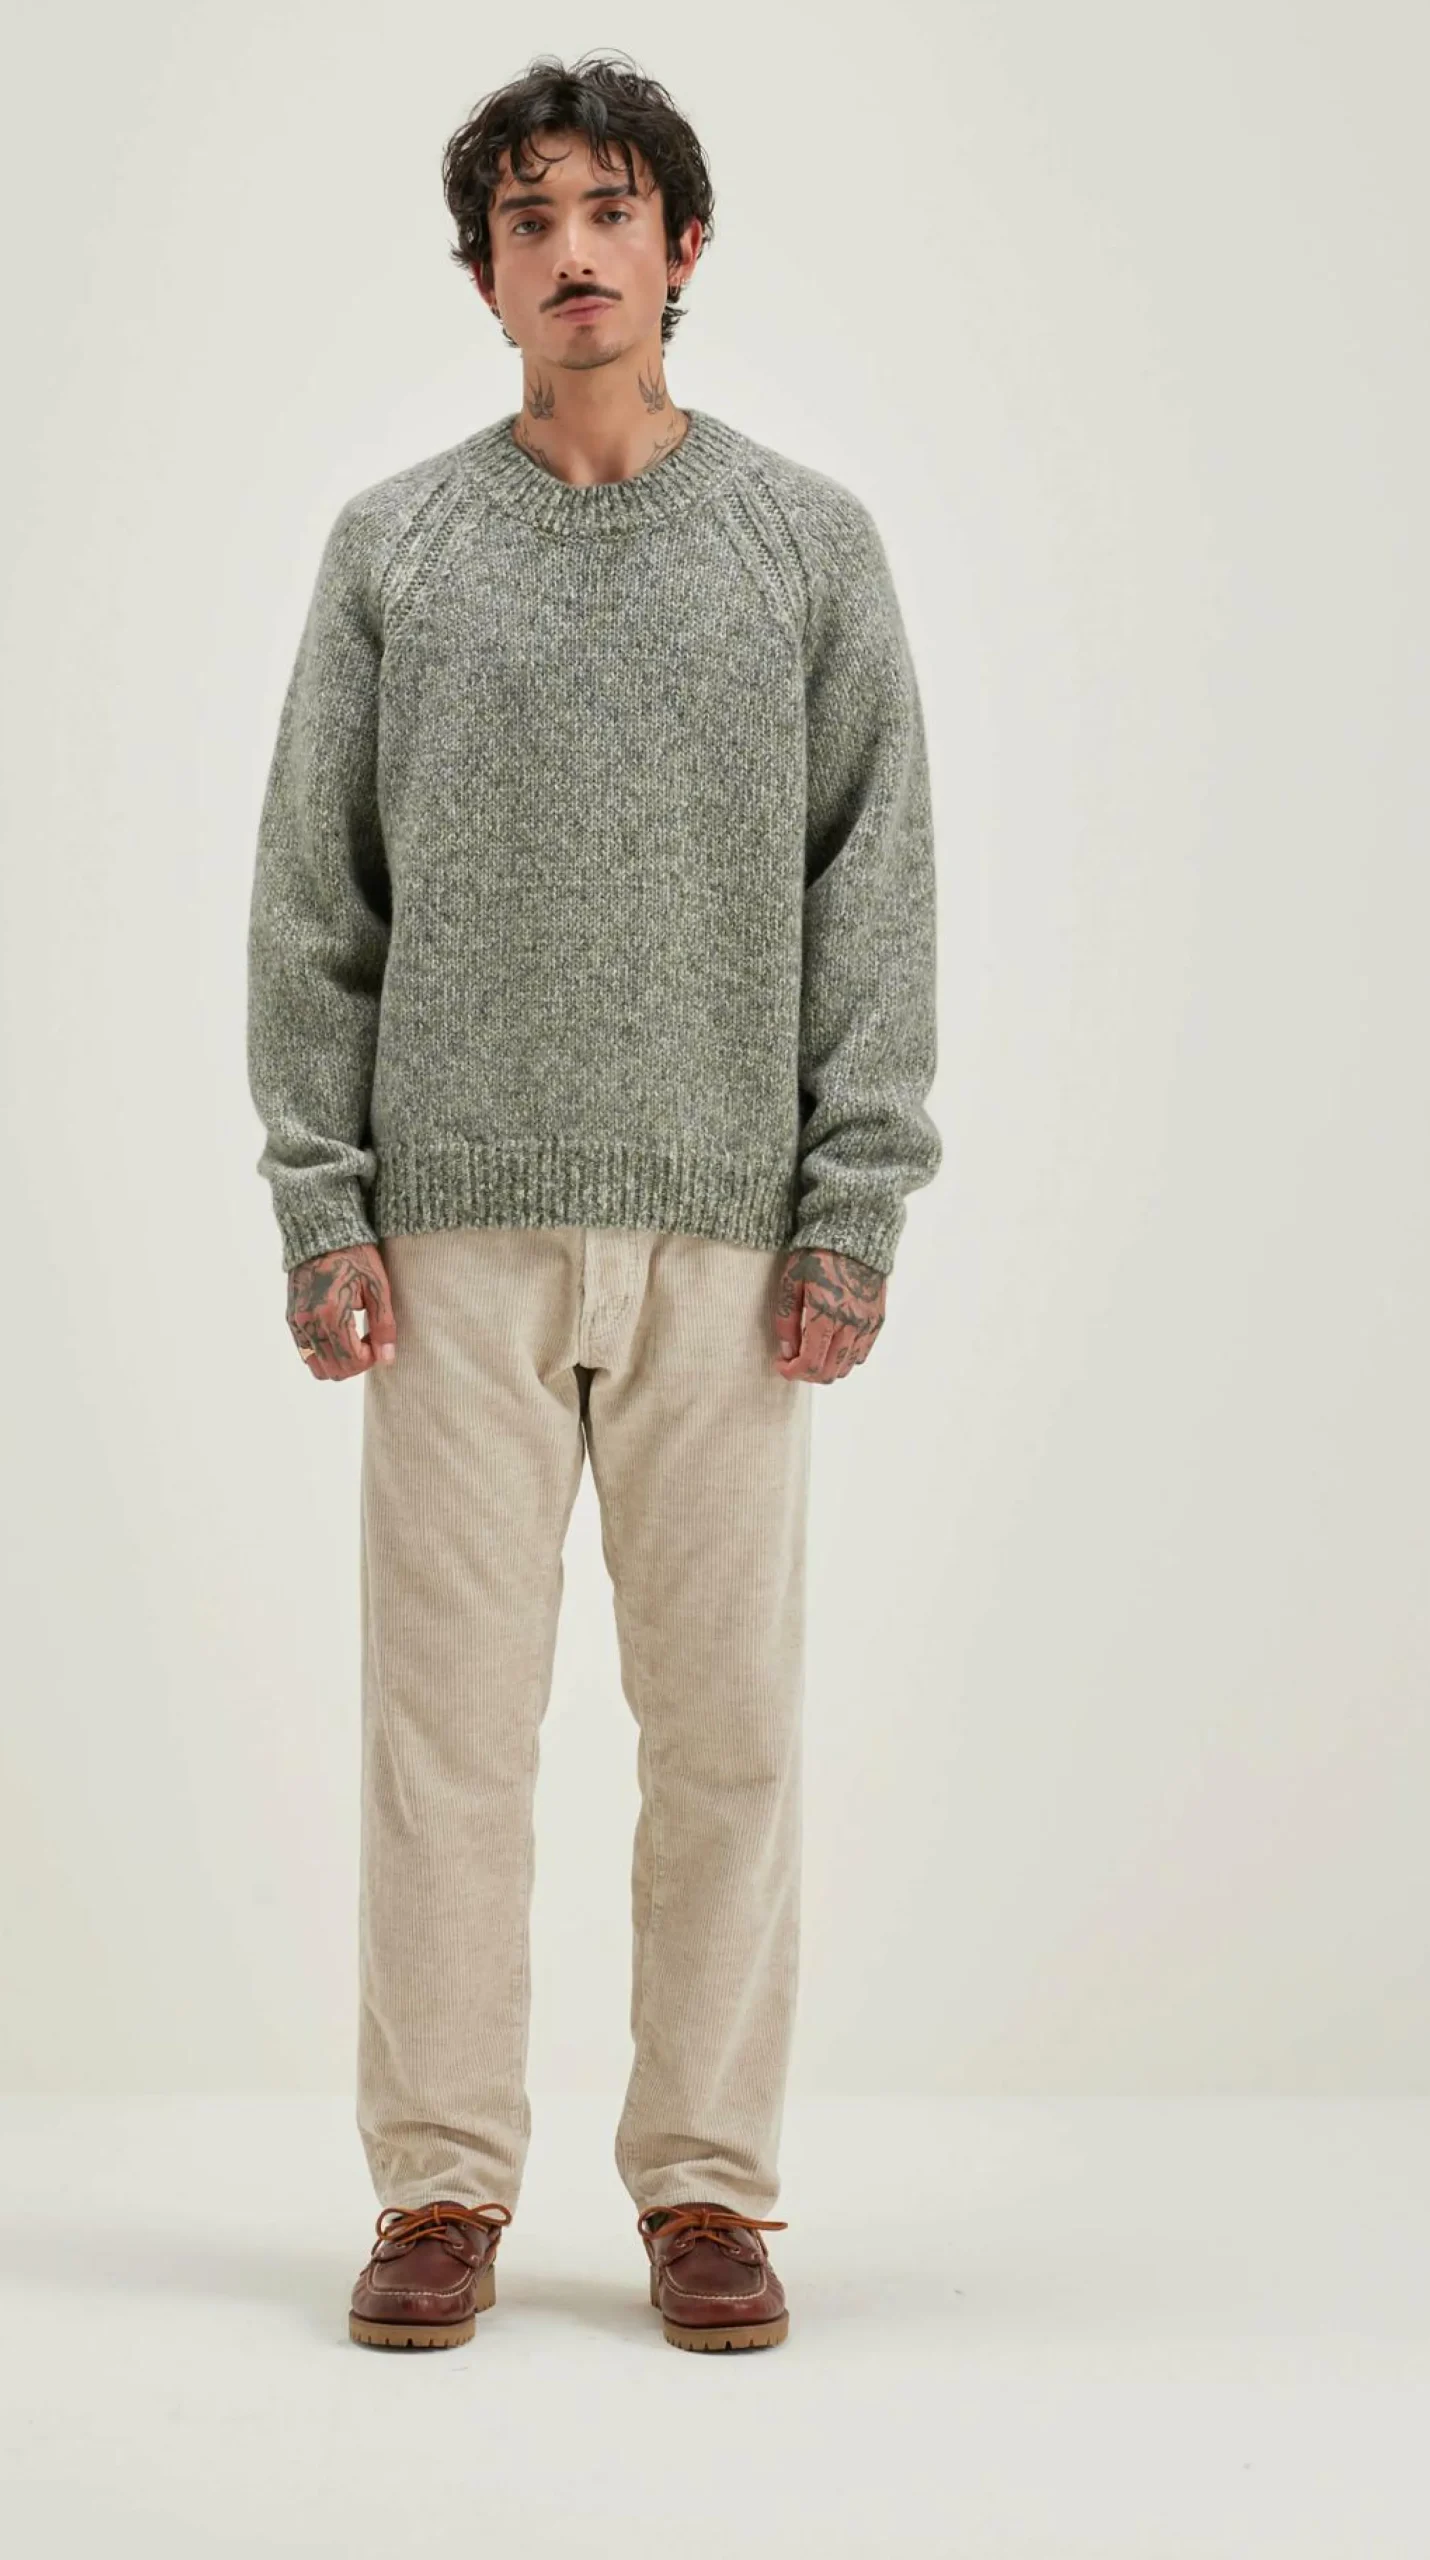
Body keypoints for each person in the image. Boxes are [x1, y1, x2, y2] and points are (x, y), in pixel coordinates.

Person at [245, 49, 941, 2353]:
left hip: (730, 1239)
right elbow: (315, 899)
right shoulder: (395, 551)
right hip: (448, 1228)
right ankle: (440, 2183)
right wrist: (321, 1196)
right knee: (443, 1737)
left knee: (725, 1731)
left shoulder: (808, 547)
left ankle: (709, 2187)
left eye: (610, 210)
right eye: (529, 218)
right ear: (483, 274)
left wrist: (855, 1200)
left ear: (681, 247)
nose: (572, 251)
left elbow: (877, 892)